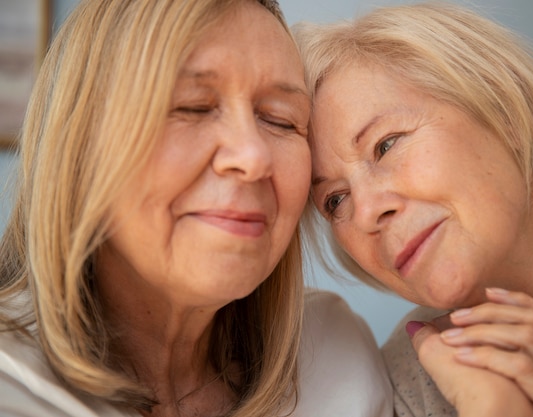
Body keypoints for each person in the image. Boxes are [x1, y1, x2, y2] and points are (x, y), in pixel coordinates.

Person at [0, 0, 393, 416]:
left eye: (280, 120)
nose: (253, 156)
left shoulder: (339, 360)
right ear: (80, 147)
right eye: (192, 106)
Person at [294, 2, 533, 416]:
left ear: (505, 112)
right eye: (335, 200)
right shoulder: (403, 388)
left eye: (386, 144)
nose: (364, 213)